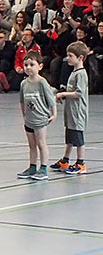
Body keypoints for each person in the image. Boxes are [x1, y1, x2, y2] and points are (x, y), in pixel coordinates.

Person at [17, 51, 56, 181]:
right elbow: (22, 101)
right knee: (32, 145)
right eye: (26, 65)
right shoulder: (24, 83)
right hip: (29, 120)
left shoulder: (42, 82)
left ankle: (43, 168)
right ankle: (32, 167)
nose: (28, 67)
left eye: (32, 64)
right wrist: (24, 115)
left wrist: (54, 113)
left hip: (40, 119)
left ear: (40, 66)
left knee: (41, 143)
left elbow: (51, 99)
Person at [52, 42, 89, 175]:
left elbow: (79, 93)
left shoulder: (81, 74)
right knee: (70, 136)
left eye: (70, 56)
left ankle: (80, 163)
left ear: (80, 58)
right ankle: (65, 160)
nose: (67, 58)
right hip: (70, 110)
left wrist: (63, 94)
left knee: (78, 137)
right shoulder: (74, 72)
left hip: (77, 111)